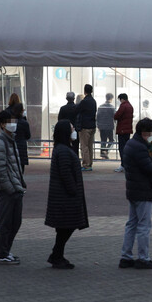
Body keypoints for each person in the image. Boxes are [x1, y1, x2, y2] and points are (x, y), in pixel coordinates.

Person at [118, 118, 152, 270]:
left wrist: (151, 158)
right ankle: (143, 258)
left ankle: (126, 256)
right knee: (144, 226)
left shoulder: (131, 144)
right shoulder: (140, 147)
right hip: (142, 190)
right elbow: (149, 169)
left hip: (133, 189)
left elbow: (142, 164)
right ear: (145, 132)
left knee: (132, 223)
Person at [45, 120, 89, 269]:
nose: (74, 131)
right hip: (65, 196)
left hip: (63, 195)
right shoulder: (63, 150)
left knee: (65, 227)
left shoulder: (63, 148)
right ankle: (56, 255)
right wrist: (73, 190)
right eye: (71, 129)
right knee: (66, 226)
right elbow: (65, 173)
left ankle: (57, 255)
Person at [0, 111, 26, 265]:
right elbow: (0, 170)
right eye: (10, 122)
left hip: (16, 187)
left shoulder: (11, 140)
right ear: (2, 124)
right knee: (6, 222)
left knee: (15, 222)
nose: (14, 124)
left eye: (15, 121)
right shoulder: (0, 142)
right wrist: (10, 188)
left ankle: (6, 251)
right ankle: (3, 254)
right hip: (8, 189)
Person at [75, 84, 97, 171]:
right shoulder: (93, 101)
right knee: (90, 146)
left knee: (84, 146)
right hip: (92, 126)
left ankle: (86, 165)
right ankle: (90, 163)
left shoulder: (84, 101)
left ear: (85, 91)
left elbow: (77, 110)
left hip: (85, 127)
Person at [113, 93, 134, 173]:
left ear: (122, 99)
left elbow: (116, 116)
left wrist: (115, 113)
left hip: (122, 129)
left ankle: (123, 165)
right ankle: (127, 164)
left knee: (122, 148)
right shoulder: (130, 106)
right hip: (127, 130)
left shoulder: (123, 106)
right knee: (126, 148)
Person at [11, 104, 31, 173]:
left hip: (12, 145)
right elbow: (28, 136)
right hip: (22, 145)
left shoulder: (11, 122)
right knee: (21, 169)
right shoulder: (25, 123)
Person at [58, 92, 79, 156]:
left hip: (65, 130)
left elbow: (60, 120)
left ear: (66, 98)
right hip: (75, 130)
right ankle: (75, 161)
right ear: (74, 98)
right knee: (75, 147)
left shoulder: (63, 108)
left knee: (66, 146)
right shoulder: (77, 108)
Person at [96, 93, 116, 160]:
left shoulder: (101, 107)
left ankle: (103, 154)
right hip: (110, 126)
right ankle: (106, 151)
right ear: (111, 99)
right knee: (112, 141)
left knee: (103, 140)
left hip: (102, 126)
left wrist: (98, 125)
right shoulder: (112, 107)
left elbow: (97, 117)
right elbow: (115, 116)